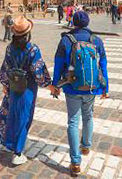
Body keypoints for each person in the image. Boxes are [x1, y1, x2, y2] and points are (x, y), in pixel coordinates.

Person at [51, 11, 109, 176]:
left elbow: (58, 64)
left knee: (73, 122)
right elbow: (103, 64)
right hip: (92, 86)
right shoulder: (96, 40)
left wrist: (55, 85)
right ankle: (86, 146)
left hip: (72, 86)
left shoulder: (66, 40)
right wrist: (105, 88)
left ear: (73, 22)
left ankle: (75, 163)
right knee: (88, 116)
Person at [0, 17, 53, 166]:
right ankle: (17, 152)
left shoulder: (9, 48)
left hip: (14, 86)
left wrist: (5, 85)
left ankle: (10, 142)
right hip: (27, 89)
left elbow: (5, 69)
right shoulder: (33, 49)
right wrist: (49, 85)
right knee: (24, 117)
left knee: (13, 114)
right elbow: (38, 71)